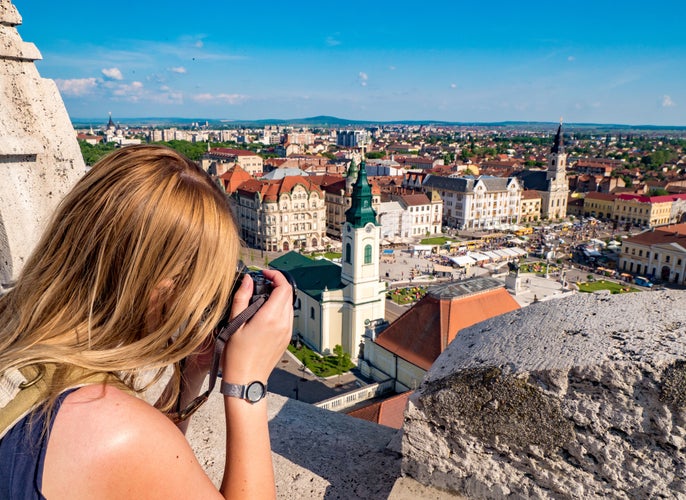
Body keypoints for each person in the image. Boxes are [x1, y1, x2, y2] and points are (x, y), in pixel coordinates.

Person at [0, 145, 293, 499]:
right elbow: (134, 447)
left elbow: (142, 473)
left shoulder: (16, 330)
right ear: (162, 284)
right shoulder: (112, 427)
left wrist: (191, 374)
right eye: (206, 280)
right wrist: (247, 384)